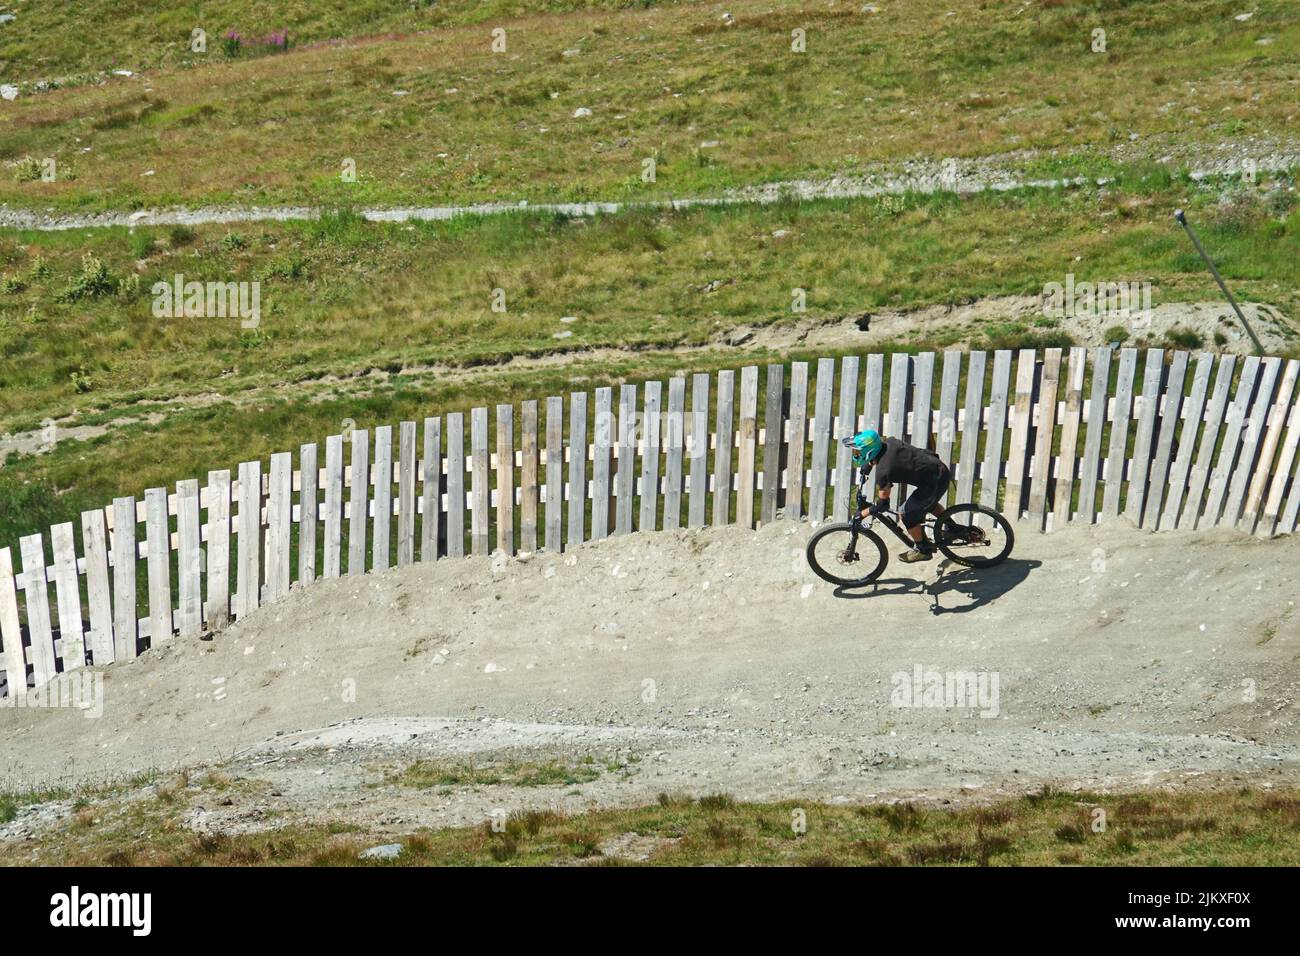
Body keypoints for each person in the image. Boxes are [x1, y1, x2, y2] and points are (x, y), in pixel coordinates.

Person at [847, 428, 952, 563]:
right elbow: (879, 455)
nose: (855, 453)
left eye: (857, 451)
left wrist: (861, 514)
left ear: (868, 451)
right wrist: (868, 465)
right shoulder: (889, 442)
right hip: (938, 469)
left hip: (935, 481)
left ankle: (923, 550)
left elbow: (882, 505)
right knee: (926, 504)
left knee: (906, 514)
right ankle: (951, 527)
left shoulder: (884, 471)